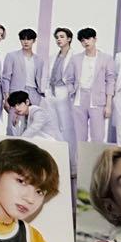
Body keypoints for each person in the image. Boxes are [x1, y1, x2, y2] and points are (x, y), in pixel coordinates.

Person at [69, 27, 116, 142]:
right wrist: (72, 92)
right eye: (82, 40)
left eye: (88, 39)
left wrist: (108, 105)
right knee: (79, 137)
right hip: (79, 100)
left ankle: (96, 155)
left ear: (95, 39)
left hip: (97, 100)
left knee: (98, 136)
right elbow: (69, 79)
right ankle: (79, 155)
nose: (86, 42)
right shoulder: (75, 59)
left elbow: (110, 81)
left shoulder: (106, 58)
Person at [45, 26, 78, 174]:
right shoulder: (53, 56)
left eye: (62, 37)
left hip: (64, 93)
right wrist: (47, 91)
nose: (59, 39)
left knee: (67, 129)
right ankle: (60, 160)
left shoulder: (75, 56)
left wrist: (71, 92)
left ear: (69, 39)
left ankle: (72, 163)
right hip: (51, 92)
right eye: (57, 37)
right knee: (55, 128)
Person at [0, 29, 46, 115]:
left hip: (34, 95)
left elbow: (40, 79)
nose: (26, 42)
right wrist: (6, 98)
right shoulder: (11, 56)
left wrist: (41, 95)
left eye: (29, 39)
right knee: (14, 122)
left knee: (33, 121)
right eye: (23, 39)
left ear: (34, 41)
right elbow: (6, 78)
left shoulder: (39, 60)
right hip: (16, 94)